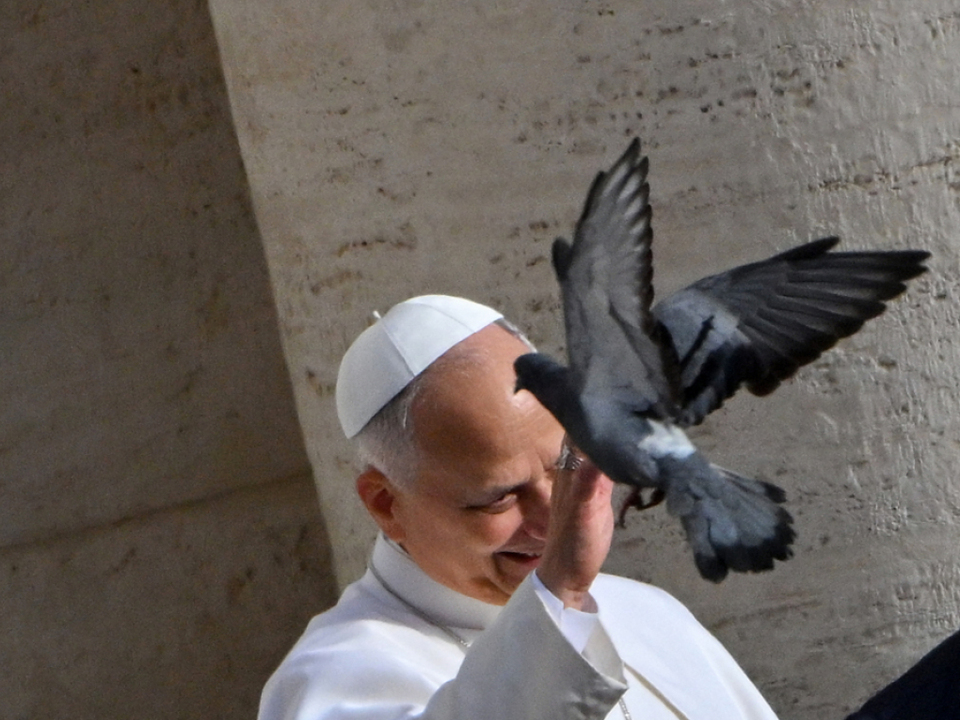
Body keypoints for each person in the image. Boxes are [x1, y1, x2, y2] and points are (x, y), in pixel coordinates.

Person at [259, 294, 781, 720]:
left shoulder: (647, 613)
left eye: (561, 467)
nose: (554, 520)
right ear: (386, 504)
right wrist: (560, 593)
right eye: (500, 497)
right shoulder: (333, 676)